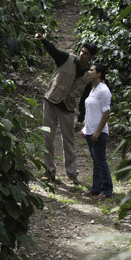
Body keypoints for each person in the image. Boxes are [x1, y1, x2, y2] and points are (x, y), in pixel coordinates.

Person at [34, 34, 97, 184]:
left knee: (69, 142)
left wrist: (81, 119)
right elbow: (53, 51)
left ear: (91, 58)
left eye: (86, 53)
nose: (82, 54)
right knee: (47, 138)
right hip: (51, 102)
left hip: (67, 108)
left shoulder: (88, 77)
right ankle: (49, 172)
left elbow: (84, 99)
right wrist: (43, 40)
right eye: (82, 51)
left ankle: (72, 174)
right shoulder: (65, 58)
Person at [81, 63, 113, 199]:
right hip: (90, 131)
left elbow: (106, 113)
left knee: (100, 160)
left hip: (98, 132)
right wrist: (85, 127)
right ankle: (95, 188)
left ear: (99, 73)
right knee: (95, 160)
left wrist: (98, 132)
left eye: (91, 70)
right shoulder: (93, 89)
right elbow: (91, 111)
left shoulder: (103, 90)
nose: (89, 72)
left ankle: (106, 190)